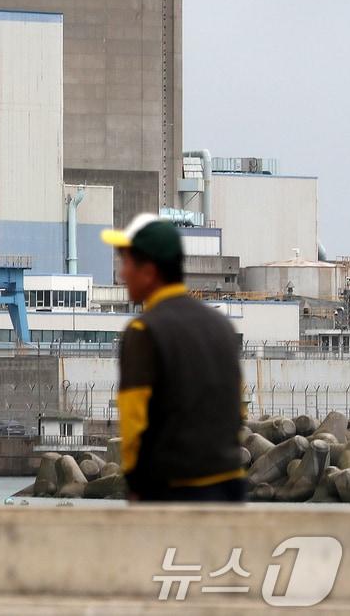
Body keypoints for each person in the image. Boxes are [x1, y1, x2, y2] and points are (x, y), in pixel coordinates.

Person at [104, 213, 245, 502]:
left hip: (172, 491)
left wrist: (135, 484)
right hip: (229, 487)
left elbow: (133, 422)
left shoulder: (144, 331)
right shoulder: (221, 326)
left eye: (127, 263)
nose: (122, 274)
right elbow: (236, 412)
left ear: (149, 271)